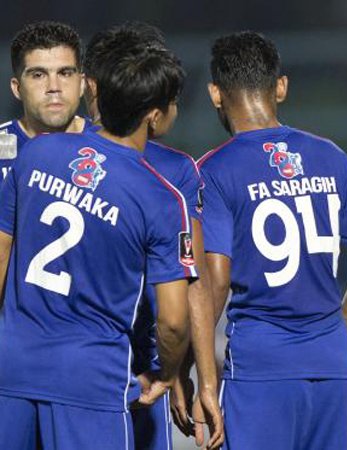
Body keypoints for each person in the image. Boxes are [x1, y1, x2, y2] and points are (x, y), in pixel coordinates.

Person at [197, 31, 347, 450]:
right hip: (331, 361)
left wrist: (200, 380)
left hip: (261, 364)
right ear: (280, 87)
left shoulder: (214, 170)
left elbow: (215, 282)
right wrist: (337, 329)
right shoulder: (331, 156)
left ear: (216, 93)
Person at [0, 40, 193, 450]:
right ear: (155, 116)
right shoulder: (160, 198)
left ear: (95, 95)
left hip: (12, 369)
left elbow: (1, 253)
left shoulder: (36, 153)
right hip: (92, 381)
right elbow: (174, 322)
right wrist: (166, 372)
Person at [83, 22, 223, 450]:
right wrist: (189, 376)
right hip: (134, 367)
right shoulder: (173, 173)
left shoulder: (57, 152)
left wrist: (186, 374)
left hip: (82, 363)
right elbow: (195, 284)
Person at [0, 21, 91, 179]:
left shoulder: (110, 145)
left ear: (82, 84)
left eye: (65, 73)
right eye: (38, 75)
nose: (53, 87)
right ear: (17, 88)